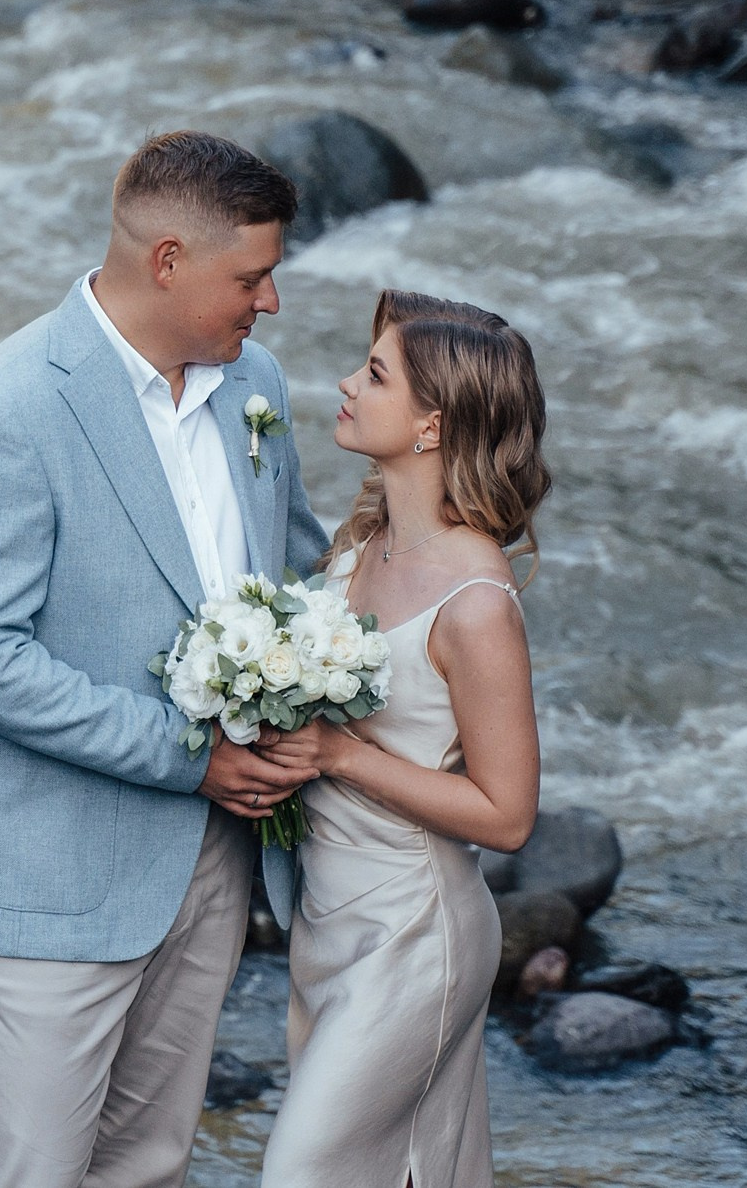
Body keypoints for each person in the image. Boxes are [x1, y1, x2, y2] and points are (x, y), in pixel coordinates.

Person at [0, 128, 330, 1188]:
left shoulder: (258, 385)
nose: (270, 301)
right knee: (29, 1172)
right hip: (51, 870)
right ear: (166, 261)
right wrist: (187, 755)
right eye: (251, 275)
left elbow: (300, 570)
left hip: (210, 859)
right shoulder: (9, 408)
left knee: (149, 1164)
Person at [254, 290, 553, 1188]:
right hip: (328, 919)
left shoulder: (477, 606)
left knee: (299, 1176)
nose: (348, 382)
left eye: (374, 373)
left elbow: (507, 818)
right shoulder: (363, 544)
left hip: (414, 934)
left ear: (432, 426)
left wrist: (342, 755)